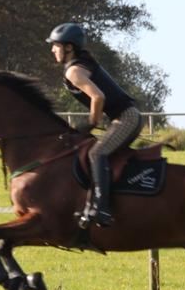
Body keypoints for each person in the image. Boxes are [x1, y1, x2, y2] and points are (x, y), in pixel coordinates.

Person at [47, 22, 142, 227]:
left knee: (97, 154)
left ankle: (102, 209)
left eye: (56, 45)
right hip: (123, 117)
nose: (52, 49)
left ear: (69, 47)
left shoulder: (74, 72)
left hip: (127, 118)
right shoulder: (78, 65)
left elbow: (98, 97)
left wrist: (91, 123)